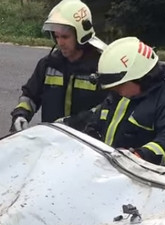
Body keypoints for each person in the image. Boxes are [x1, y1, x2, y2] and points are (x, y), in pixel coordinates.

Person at [84, 36, 165, 170]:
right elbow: (94, 123)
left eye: (119, 86)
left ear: (139, 77)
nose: (115, 90)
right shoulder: (120, 96)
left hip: (144, 181)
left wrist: (139, 156)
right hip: (110, 172)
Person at [9, 0, 108, 133]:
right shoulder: (49, 64)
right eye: (56, 36)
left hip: (87, 145)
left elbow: (107, 108)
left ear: (81, 35)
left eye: (65, 37)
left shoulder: (101, 68)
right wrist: (21, 114)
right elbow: (30, 96)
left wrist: (74, 123)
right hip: (53, 141)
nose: (60, 42)